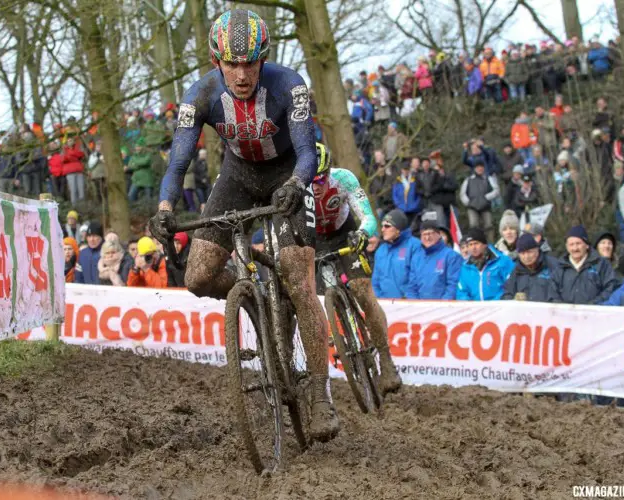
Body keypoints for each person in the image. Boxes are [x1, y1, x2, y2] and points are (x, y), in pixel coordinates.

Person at [149, 9, 339, 441]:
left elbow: (309, 151)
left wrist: (295, 184)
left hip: (288, 175)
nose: (240, 74)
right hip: (236, 177)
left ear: (262, 58)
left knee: (301, 284)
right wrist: (165, 207)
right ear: (217, 61)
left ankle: (321, 396)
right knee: (197, 276)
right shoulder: (199, 95)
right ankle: (251, 286)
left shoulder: (289, 84)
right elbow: (178, 162)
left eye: (249, 62)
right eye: (231, 64)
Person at [312, 143, 401, 393]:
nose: (317, 186)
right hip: (314, 240)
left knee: (362, 290)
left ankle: (385, 358)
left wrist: (363, 233)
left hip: (345, 234)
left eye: (321, 179)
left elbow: (369, 217)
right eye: (312, 180)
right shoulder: (296, 186)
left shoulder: (344, 179)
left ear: (329, 172)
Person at [549, 226, 618, 304]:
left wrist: (592, 305)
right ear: (567, 247)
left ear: (587, 245)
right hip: (565, 314)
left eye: (578, 243)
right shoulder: (559, 267)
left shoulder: (602, 264)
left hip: (595, 313)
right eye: (571, 244)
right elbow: (553, 293)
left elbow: (610, 288)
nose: (575, 248)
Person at [406, 219, 462, 299]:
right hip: (420, 308)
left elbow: (453, 285)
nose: (427, 238)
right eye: (424, 234)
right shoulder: (416, 257)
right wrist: (415, 304)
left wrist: (441, 306)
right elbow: (412, 286)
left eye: (430, 234)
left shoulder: (451, 256)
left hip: (443, 308)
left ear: (439, 235)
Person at [372, 209, 421, 299]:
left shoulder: (415, 246)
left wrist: (408, 300)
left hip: (409, 305)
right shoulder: (381, 250)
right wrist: (380, 300)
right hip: (385, 306)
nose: (382, 229)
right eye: (382, 226)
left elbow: (417, 278)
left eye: (387, 226)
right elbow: (375, 282)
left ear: (398, 229)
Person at [456, 228, 515, 301]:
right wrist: (468, 303)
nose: (473, 247)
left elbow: (511, 285)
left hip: (499, 307)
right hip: (475, 310)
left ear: (484, 245)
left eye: (476, 243)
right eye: (470, 245)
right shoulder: (465, 267)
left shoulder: (502, 261)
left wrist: (497, 301)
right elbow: (461, 290)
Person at [501, 234, 557, 302]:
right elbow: (507, 294)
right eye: (522, 253)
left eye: (529, 252)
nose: (526, 257)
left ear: (537, 250)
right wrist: (514, 300)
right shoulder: (516, 271)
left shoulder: (553, 265)